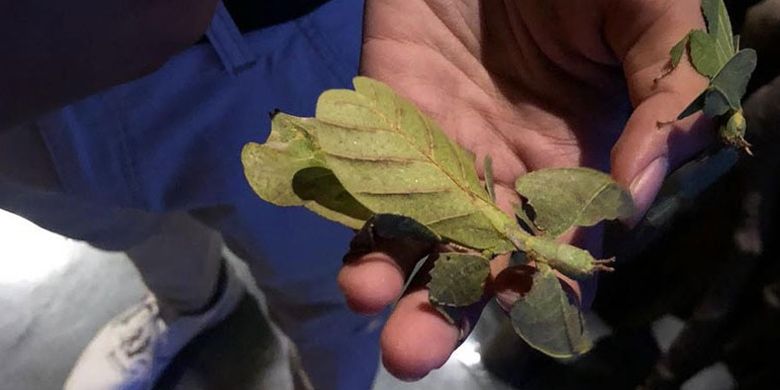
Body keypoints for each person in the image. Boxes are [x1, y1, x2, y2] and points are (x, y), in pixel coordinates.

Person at [0, 0, 714, 388]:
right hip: (27, 110)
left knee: (334, 299)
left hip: (264, 37)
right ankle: (193, 303)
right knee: (131, 231)